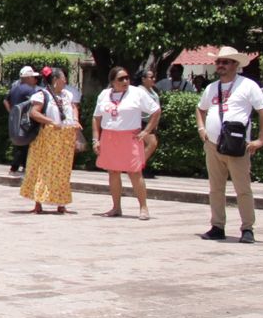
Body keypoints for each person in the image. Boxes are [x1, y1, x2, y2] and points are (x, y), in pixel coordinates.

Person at [196, 47, 263, 244]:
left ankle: (247, 228)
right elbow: (200, 108)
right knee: (215, 188)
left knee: (242, 189)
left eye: (226, 62)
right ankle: (217, 226)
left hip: (238, 145)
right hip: (213, 144)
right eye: (219, 62)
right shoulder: (211, 87)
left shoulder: (248, 86)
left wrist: (260, 139)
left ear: (236, 65)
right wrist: (201, 129)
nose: (221, 65)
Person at [92, 66, 159, 221]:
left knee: (135, 173)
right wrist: (96, 139)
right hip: (109, 137)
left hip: (129, 137)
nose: (125, 81)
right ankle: (116, 207)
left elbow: (156, 111)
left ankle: (143, 207)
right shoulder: (104, 95)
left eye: (127, 77)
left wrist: (146, 131)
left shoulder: (137, 92)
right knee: (113, 172)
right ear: (112, 82)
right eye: (121, 79)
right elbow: (96, 117)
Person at [19, 67, 81, 216]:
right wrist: (51, 121)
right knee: (43, 169)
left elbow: (73, 108)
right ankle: (38, 202)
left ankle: (61, 203)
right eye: (63, 77)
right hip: (47, 136)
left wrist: (76, 120)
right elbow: (34, 113)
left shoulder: (67, 95)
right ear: (55, 80)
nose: (65, 80)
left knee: (63, 171)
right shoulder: (42, 95)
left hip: (65, 137)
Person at [4, 65, 40, 174]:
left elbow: (5, 100)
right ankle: (15, 167)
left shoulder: (14, 88)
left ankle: (24, 166)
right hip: (26, 121)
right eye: (33, 77)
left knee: (19, 143)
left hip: (15, 120)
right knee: (25, 144)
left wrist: (12, 112)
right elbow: (35, 103)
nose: (34, 80)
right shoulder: (30, 90)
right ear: (28, 78)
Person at [139, 68, 162, 175]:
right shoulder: (140, 91)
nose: (153, 79)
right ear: (143, 79)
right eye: (151, 77)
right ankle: (138, 165)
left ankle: (140, 167)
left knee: (144, 146)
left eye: (154, 77)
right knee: (152, 143)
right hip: (142, 122)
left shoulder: (153, 90)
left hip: (151, 122)